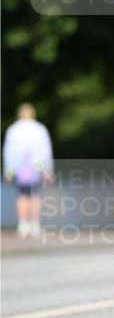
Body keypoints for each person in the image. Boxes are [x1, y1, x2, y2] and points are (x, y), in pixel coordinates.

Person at [2, 102, 54, 239]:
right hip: (36, 167)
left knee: (23, 195)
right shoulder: (40, 129)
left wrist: (9, 171)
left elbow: (9, 153)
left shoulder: (13, 130)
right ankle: (35, 225)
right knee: (35, 195)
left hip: (21, 167)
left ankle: (23, 225)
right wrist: (47, 170)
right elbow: (45, 151)